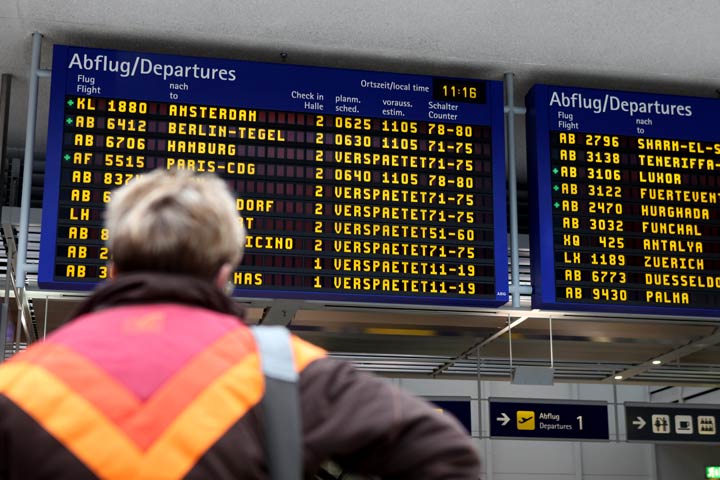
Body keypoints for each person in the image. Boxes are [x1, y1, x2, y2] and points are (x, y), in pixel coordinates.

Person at [0, 168, 480, 479]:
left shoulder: (21, 381)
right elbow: (444, 453)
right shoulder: (287, 370)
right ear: (225, 271)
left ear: (112, 267)